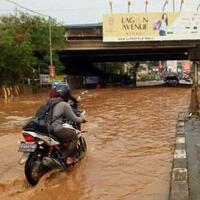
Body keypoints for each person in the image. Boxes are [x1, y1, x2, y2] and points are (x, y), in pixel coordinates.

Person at [51, 84, 86, 165]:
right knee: (74, 136)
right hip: (55, 128)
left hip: (44, 127)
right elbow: (75, 118)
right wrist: (82, 119)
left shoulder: (49, 102)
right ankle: (65, 157)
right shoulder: (64, 104)